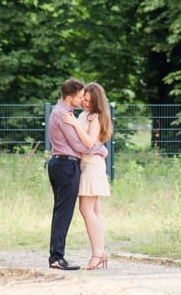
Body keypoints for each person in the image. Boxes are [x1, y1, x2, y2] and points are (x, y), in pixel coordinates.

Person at [46, 77, 106, 271]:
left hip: (66, 164)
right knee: (65, 212)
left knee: (71, 211)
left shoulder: (66, 113)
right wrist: (99, 149)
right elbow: (78, 144)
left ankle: (96, 252)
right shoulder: (63, 115)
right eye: (80, 97)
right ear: (70, 97)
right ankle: (57, 257)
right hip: (66, 165)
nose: (82, 101)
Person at [64, 81, 115, 270]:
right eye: (84, 100)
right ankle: (100, 252)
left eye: (89, 101)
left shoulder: (95, 117)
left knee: (86, 210)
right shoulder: (85, 115)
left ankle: (97, 254)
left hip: (92, 167)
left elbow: (90, 143)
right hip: (87, 164)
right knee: (94, 212)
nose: (85, 103)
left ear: (97, 102)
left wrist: (75, 126)